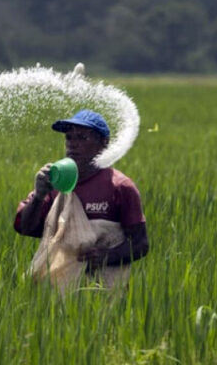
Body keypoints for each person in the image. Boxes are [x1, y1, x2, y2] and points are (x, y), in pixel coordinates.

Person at [14, 109, 149, 286]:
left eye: (83, 138)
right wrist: (39, 196)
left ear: (104, 144)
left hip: (103, 290)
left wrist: (106, 256)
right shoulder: (54, 182)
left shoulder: (120, 187)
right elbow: (25, 228)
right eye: (69, 138)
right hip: (57, 290)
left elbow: (140, 244)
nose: (73, 144)